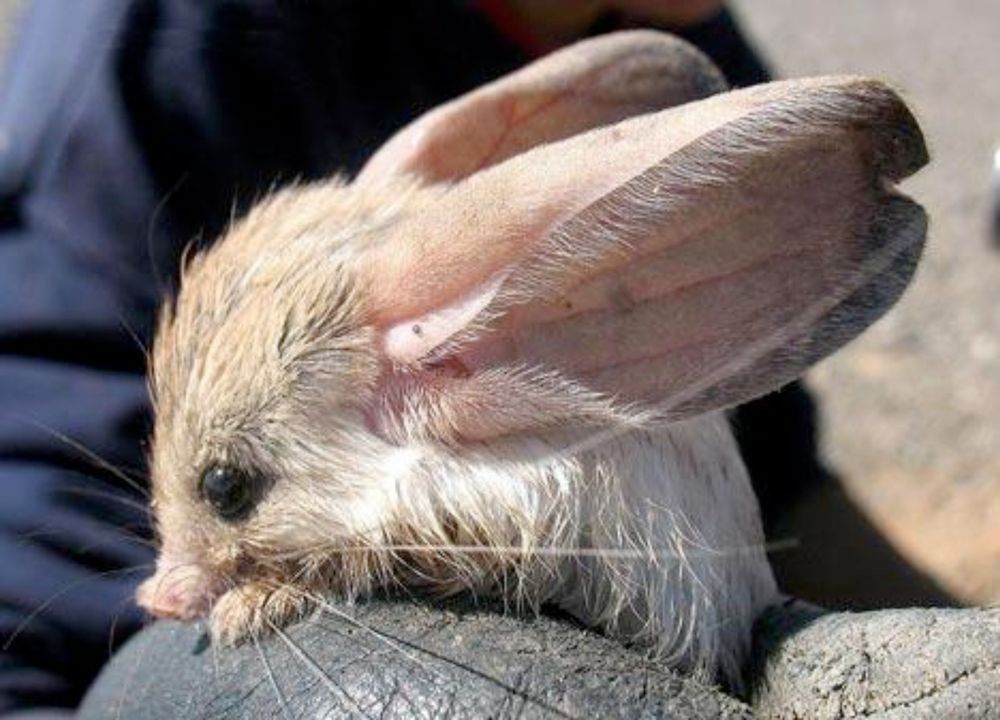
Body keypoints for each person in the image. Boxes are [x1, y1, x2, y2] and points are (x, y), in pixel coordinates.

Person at [3, 1, 940, 714]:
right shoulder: (166, 39)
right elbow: (29, 495)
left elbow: (779, 457)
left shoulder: (668, 24)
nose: (168, 587)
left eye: (230, 489)